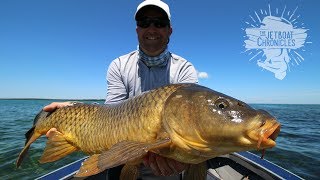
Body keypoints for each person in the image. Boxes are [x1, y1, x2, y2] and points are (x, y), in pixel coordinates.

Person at [43, 0, 198, 179]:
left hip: (163, 164)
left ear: (169, 30)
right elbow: (111, 113)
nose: (152, 29)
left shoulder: (185, 68)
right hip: (121, 159)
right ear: (137, 30)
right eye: (144, 23)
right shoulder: (119, 65)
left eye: (160, 23)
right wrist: (72, 108)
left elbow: (188, 121)